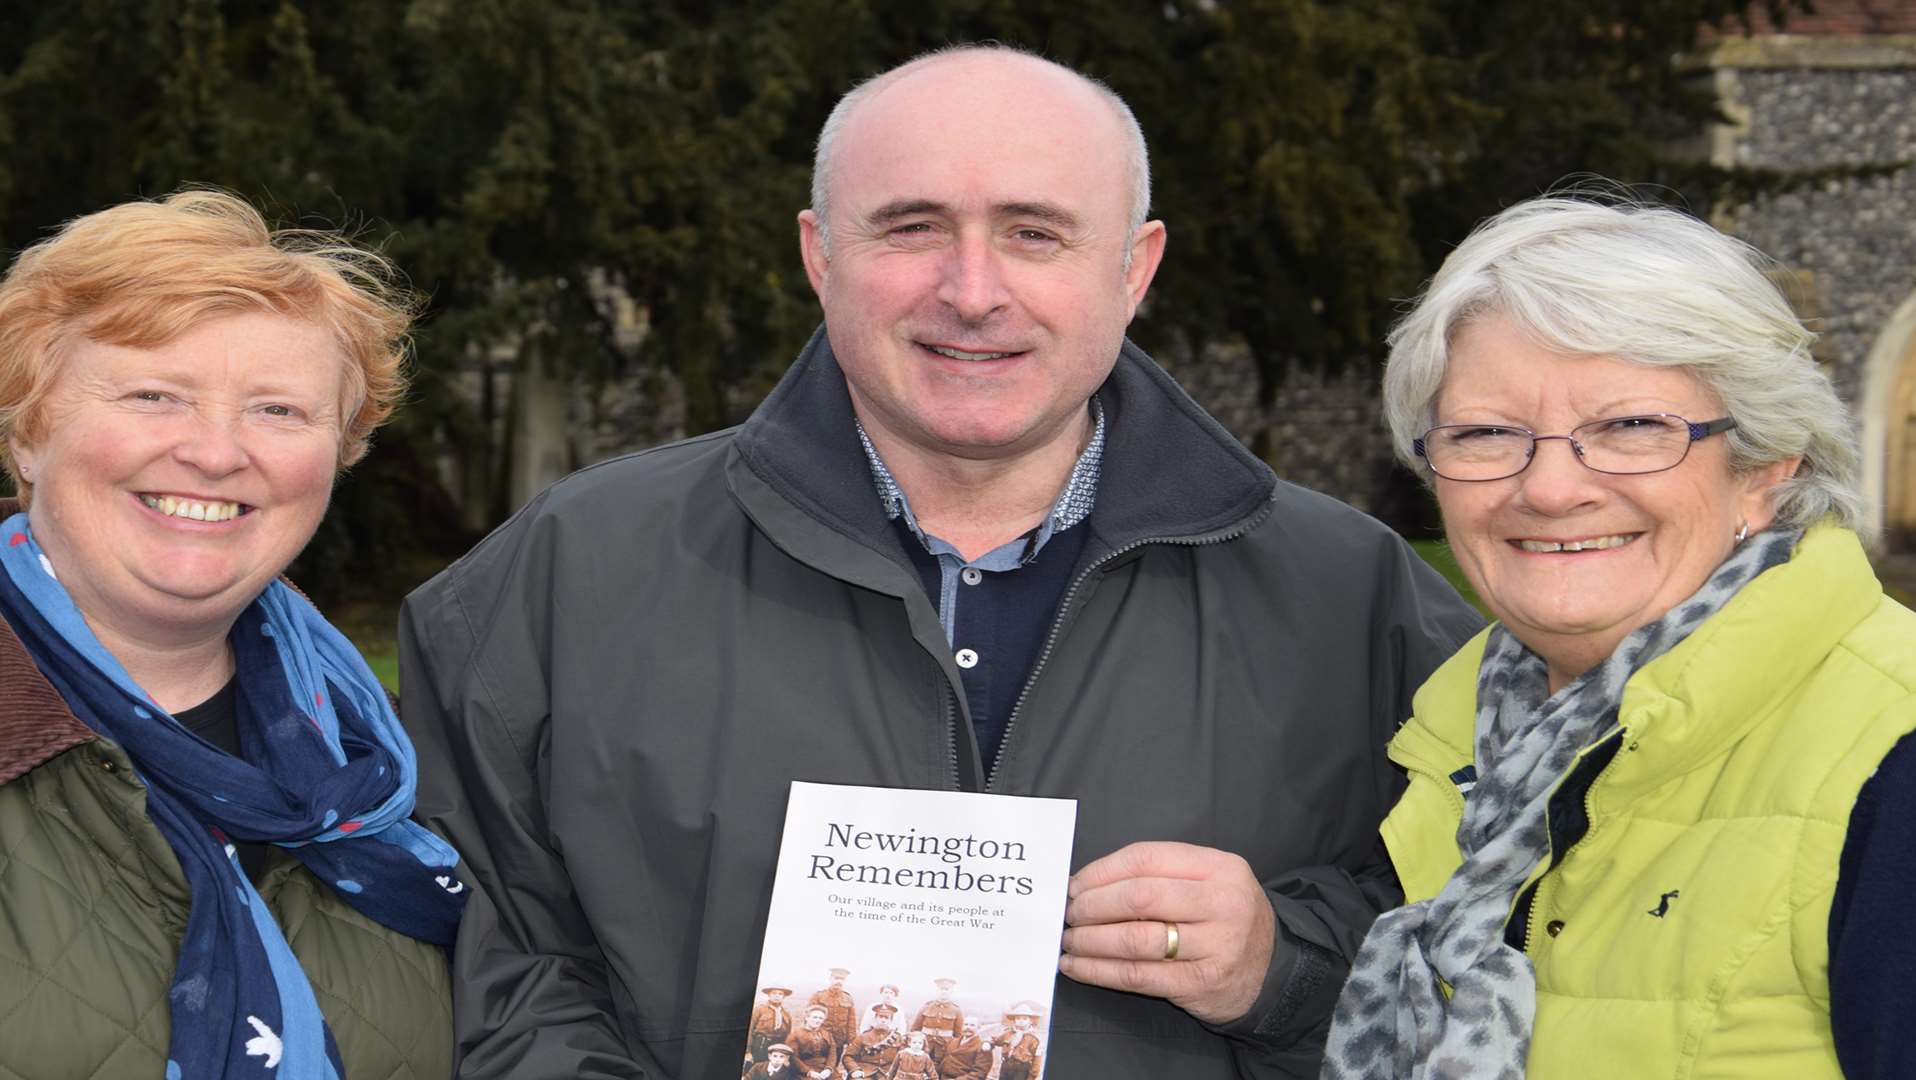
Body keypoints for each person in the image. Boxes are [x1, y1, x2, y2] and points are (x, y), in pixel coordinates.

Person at [403, 43, 1480, 1077]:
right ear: (821, 255)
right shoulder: (561, 580)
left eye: (1035, 234)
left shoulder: (1355, 604)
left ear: (1133, 267)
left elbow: (1517, 957)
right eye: (912, 227)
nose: (971, 290)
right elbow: (497, 973)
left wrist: (1283, 972)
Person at [1320, 194, 1916, 1079]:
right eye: (1489, 434)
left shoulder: (1893, 756)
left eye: (1632, 427)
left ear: (1763, 464)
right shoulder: (1448, 737)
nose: (1553, 488)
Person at [0, 190, 466, 1078]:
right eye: (153, 394)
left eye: (278, 411)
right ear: (29, 433)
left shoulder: (409, 765)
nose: (216, 453)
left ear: (340, 452)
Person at [909, 977, 964, 1061]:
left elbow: (958, 1035)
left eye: (947, 989)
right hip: (925, 1045)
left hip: (944, 1047)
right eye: (941, 989)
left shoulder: (956, 1010)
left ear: (951, 991)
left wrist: (952, 1048)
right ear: (937, 990)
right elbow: (915, 1029)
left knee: (940, 1069)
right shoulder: (926, 1007)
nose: (944, 991)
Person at [844, 1004, 903, 1078]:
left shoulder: (898, 1038)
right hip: (865, 1071)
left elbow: (903, 1058)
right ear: (875, 1019)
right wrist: (855, 1069)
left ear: (891, 1021)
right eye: (880, 1017)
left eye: (886, 1018)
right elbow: (848, 1056)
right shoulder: (863, 1037)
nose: (883, 1020)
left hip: (887, 1073)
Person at [810, 966, 860, 1052]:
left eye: (842, 979)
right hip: (820, 1039)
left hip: (839, 1041)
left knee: (834, 1063)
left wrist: (851, 1041)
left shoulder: (848, 998)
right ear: (830, 979)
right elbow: (808, 1017)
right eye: (836, 978)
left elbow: (851, 1023)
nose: (839, 981)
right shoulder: (819, 996)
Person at [992, 1003, 1045, 1080]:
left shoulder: (1034, 1038)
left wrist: (1032, 1076)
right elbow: (997, 1041)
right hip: (1006, 1066)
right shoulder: (1008, 1033)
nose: (1021, 1021)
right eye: (1018, 1018)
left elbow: (1037, 1060)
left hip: (1022, 1070)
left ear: (1030, 1020)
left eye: (1024, 1019)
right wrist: (987, 1043)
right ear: (1014, 1020)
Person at [936, 1016, 997, 1080]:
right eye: (966, 1024)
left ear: (979, 1027)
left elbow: (980, 1073)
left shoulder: (982, 1047)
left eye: (972, 1025)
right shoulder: (952, 1041)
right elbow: (941, 1060)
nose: (968, 1027)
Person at [748, 985, 796, 1065]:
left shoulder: (786, 1014)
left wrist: (786, 1054)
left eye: (780, 994)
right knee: (757, 1068)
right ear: (769, 995)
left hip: (777, 1045)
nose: (777, 996)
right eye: (774, 993)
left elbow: (789, 1035)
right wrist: (748, 1051)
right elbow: (750, 1030)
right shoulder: (759, 1010)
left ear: (783, 997)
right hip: (760, 1045)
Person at [788, 1006, 839, 1080]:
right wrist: (809, 1072)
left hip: (825, 1068)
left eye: (820, 1018)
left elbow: (832, 1054)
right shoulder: (795, 1035)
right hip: (804, 1069)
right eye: (815, 1017)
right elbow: (794, 1057)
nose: (817, 1020)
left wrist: (828, 1069)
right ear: (807, 1018)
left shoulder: (827, 1034)